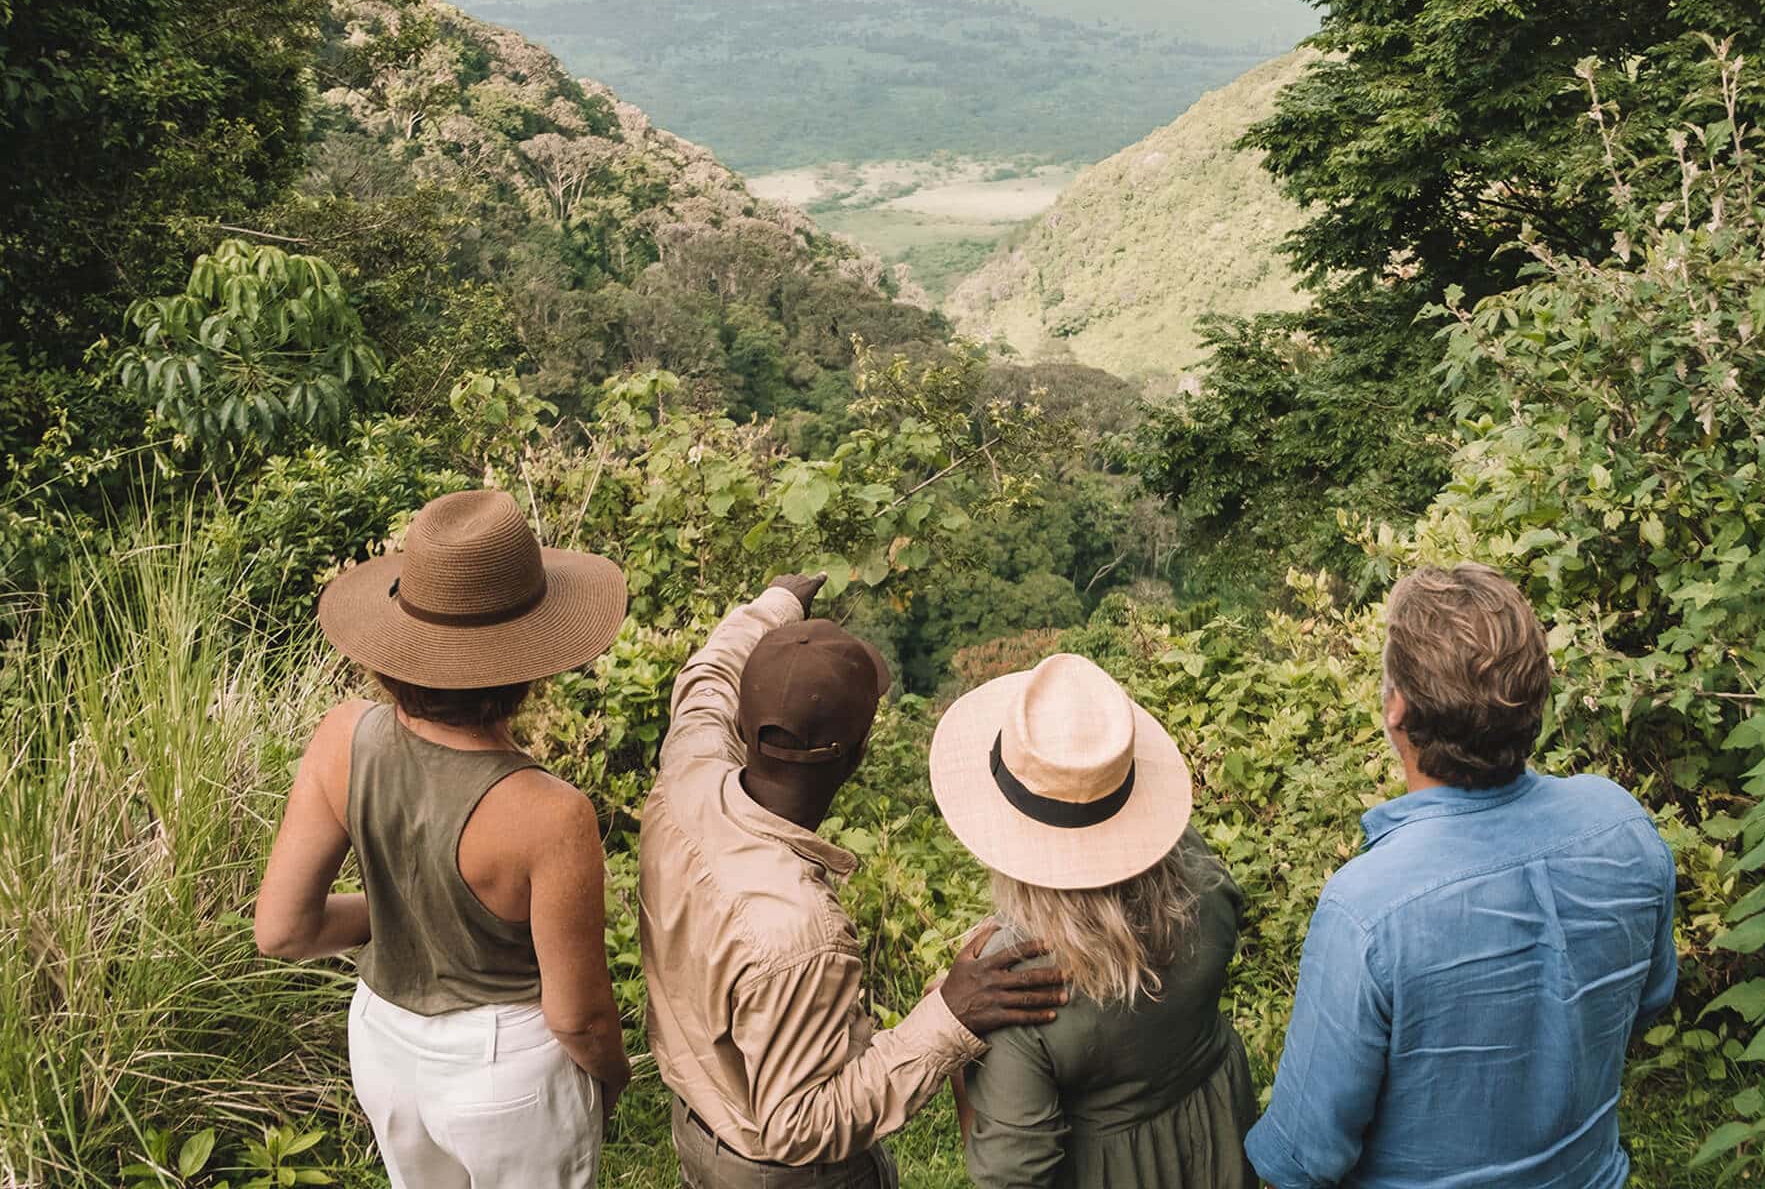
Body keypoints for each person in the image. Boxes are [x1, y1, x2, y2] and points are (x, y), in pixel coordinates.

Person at [1244, 564, 1678, 1189]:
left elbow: (1304, 1157)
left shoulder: (1367, 908)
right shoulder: (1622, 825)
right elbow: (1649, 1000)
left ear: (1396, 708)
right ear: (1537, 698)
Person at [637, 573, 1071, 1188]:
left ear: (742, 721)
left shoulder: (689, 770)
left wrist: (776, 605)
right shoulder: (799, 933)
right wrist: (948, 1018)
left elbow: (707, 675)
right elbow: (797, 1124)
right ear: (857, 752)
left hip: (703, 1129)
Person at [255, 489, 631, 1188]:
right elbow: (577, 1016)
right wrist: (612, 1078)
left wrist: (408, 907)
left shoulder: (342, 738)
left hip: (385, 1046)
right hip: (506, 1069)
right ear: (529, 657)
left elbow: (283, 931)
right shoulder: (551, 814)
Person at [929, 651, 1260, 1189]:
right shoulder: (1199, 871)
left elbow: (1012, 1175)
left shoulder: (1014, 981)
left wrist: (959, 1051)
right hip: (1215, 1132)